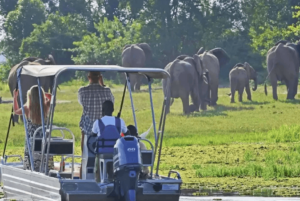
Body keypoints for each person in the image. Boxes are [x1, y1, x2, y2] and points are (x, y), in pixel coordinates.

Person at [78, 71, 114, 179]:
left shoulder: (82, 91)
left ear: (89, 77)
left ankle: (84, 177)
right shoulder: (107, 91)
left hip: (88, 129)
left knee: (86, 156)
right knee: (103, 155)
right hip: (103, 130)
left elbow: (81, 103)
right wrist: (102, 85)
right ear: (100, 77)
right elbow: (111, 104)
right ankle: (102, 175)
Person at [13, 85, 54, 172]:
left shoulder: (27, 108)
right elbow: (52, 98)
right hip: (44, 140)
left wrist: (15, 97)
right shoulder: (46, 106)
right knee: (45, 157)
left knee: (31, 160)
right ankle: (46, 170)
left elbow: (16, 111)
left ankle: (30, 169)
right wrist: (45, 94)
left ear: (30, 96)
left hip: (32, 141)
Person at [92, 100, 129, 182]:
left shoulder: (97, 122)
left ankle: (99, 181)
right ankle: (114, 180)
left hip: (102, 152)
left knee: (98, 167)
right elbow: (127, 133)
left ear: (102, 110)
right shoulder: (120, 121)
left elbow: (93, 134)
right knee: (114, 170)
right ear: (113, 110)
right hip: (117, 153)